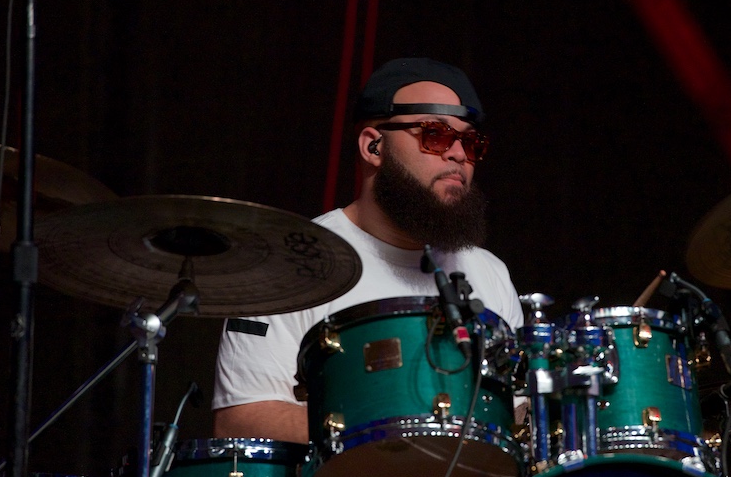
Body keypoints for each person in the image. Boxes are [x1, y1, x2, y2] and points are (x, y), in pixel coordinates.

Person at [212, 57, 524, 444]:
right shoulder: (292, 263)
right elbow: (242, 418)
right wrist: (398, 435)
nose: (459, 154)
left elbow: (516, 409)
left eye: (470, 142)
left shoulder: (489, 274)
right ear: (373, 146)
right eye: (436, 135)